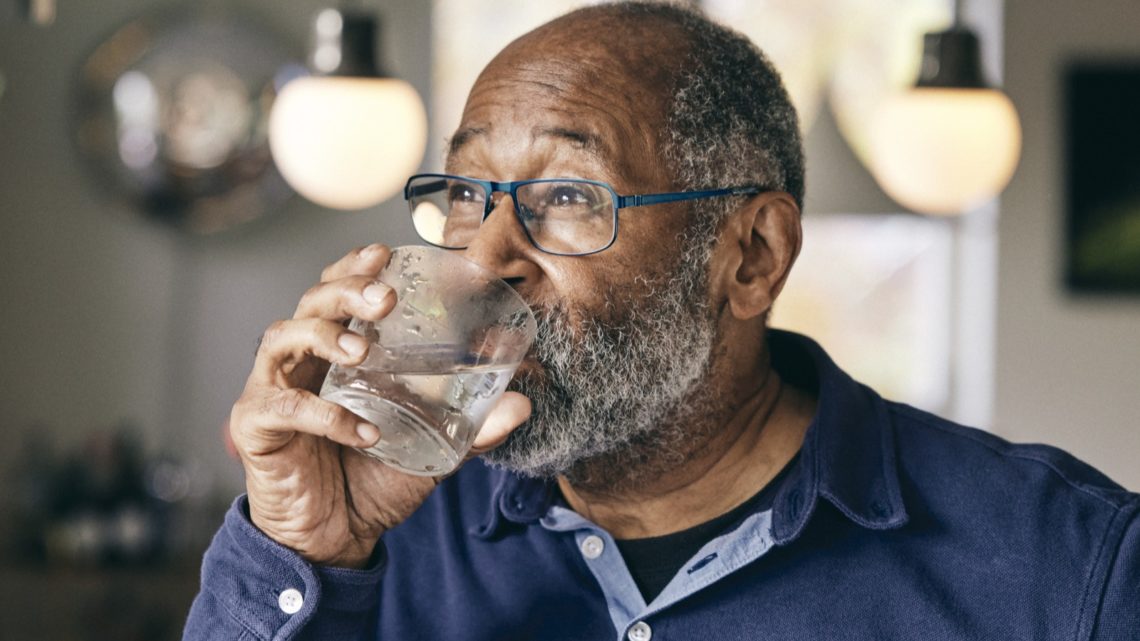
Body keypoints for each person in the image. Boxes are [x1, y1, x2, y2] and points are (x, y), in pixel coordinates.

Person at [183, 2, 1140, 639]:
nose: (483, 257)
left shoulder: (1067, 571)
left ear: (752, 255)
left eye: (566, 195)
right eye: (468, 192)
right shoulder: (383, 534)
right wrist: (304, 547)